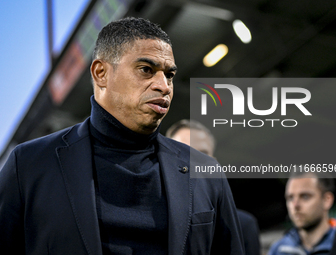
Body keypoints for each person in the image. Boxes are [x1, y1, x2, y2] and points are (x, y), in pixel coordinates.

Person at [0, 17, 244, 255]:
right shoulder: (29, 165)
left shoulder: (205, 172)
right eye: (146, 70)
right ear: (101, 73)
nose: (164, 85)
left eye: (169, 74)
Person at [166, 119, 261, 255]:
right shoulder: (150, 216)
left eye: (203, 153)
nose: (194, 160)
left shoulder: (243, 225)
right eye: (184, 151)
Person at [268, 171, 336, 255]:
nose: (295, 205)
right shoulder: (279, 250)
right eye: (290, 198)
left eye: (305, 196)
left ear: (327, 200)